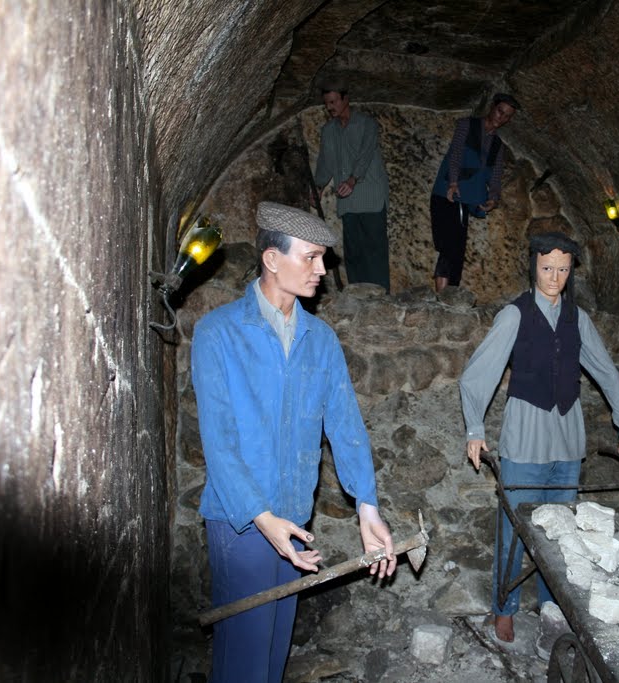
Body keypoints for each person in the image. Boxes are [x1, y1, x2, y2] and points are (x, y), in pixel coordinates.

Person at [192, 201, 397, 682]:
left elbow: (345, 426)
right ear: (271, 258)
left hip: (295, 518)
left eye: (322, 258)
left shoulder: (320, 339)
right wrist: (264, 520)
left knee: (274, 651)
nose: (322, 270)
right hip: (240, 521)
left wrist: (368, 507)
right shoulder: (218, 333)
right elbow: (219, 445)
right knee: (243, 656)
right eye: (310, 257)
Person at [458, 232, 619, 643]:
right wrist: (475, 429)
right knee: (516, 527)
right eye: (546, 268)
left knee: (561, 533)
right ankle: (504, 606)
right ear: (534, 267)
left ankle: (553, 607)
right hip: (527, 432)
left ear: (571, 269)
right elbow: (476, 375)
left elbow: (605, 370)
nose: (554, 277)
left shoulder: (578, 318)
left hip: (567, 436)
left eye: (562, 268)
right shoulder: (514, 315)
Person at [430, 92, 520, 292]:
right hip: (446, 193)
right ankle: (443, 297)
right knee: (447, 245)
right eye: (500, 111)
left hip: (466, 200)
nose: (501, 118)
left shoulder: (498, 146)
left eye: (507, 116)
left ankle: (449, 295)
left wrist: (493, 198)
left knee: (456, 249)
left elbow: (495, 177)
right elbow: (456, 153)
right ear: (492, 107)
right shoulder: (466, 125)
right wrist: (453, 183)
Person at [314, 81, 391, 292]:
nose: (330, 107)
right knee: (354, 252)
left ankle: (380, 298)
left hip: (370, 196)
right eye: (326, 103)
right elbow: (325, 161)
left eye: (333, 101)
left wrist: (352, 179)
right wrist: (318, 186)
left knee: (374, 250)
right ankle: (358, 297)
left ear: (345, 99)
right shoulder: (328, 130)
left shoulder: (366, 124)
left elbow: (366, 154)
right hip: (347, 200)